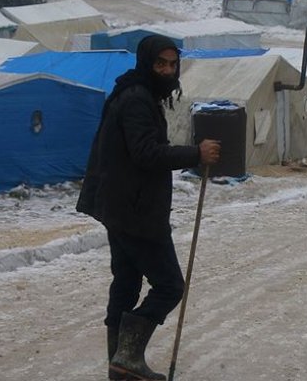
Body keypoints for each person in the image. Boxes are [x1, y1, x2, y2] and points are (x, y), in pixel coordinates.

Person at [76, 34, 221, 380]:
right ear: (147, 63)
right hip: (136, 211)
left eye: (173, 64)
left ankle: (119, 365)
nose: (168, 71)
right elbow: (145, 153)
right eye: (161, 64)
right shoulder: (137, 100)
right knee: (170, 285)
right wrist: (195, 153)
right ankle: (126, 358)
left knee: (126, 283)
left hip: (120, 205)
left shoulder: (135, 92)